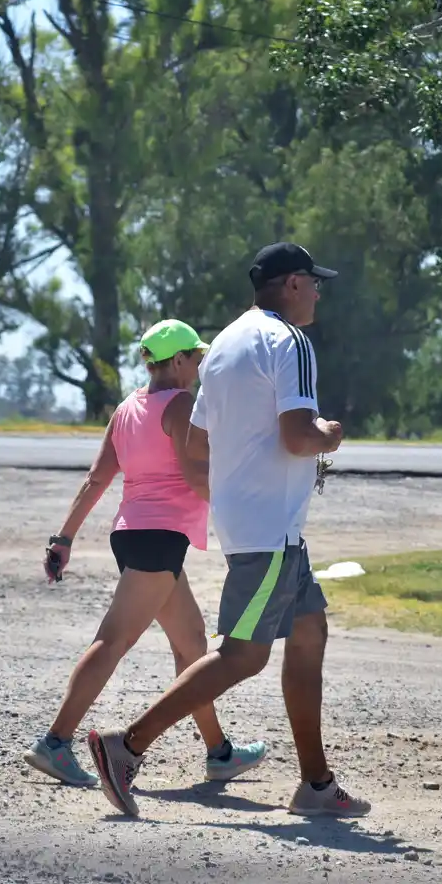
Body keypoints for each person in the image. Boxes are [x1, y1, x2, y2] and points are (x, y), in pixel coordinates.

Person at [87, 243, 371, 819]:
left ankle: (316, 784)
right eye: (313, 283)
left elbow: (196, 442)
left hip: (253, 521)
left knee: (310, 631)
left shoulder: (220, 348)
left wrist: (246, 462)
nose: (317, 293)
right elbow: (297, 436)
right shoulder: (290, 342)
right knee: (243, 656)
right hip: (272, 529)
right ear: (291, 283)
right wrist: (329, 435)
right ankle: (126, 746)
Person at [23, 318, 269, 788]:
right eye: (195, 357)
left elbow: (96, 479)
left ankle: (219, 753)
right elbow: (197, 469)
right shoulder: (180, 404)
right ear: (177, 361)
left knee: (192, 642)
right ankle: (55, 743)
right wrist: (246, 503)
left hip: (135, 534)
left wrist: (64, 538)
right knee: (113, 640)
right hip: (158, 537)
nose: (199, 365)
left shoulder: (126, 408)